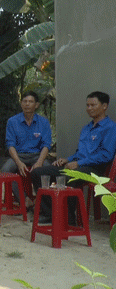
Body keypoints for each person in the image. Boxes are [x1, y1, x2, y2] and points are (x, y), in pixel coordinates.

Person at [30, 91, 116, 224]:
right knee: (38, 173)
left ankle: (69, 219)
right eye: (87, 105)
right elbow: (80, 152)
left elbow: (106, 155)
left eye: (93, 105)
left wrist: (79, 163)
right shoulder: (86, 128)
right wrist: (68, 159)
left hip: (96, 170)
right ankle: (50, 213)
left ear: (104, 106)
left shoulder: (110, 128)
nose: (89, 108)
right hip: (79, 165)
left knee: (71, 176)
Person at [2, 91, 52, 203]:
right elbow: (10, 145)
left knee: (49, 169)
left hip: (37, 156)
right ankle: (25, 200)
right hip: (18, 155)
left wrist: (39, 162)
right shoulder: (12, 121)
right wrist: (18, 162)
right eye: (25, 101)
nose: (27, 104)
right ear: (21, 104)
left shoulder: (43, 122)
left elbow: (46, 145)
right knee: (5, 170)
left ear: (37, 105)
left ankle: (43, 203)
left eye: (30, 101)